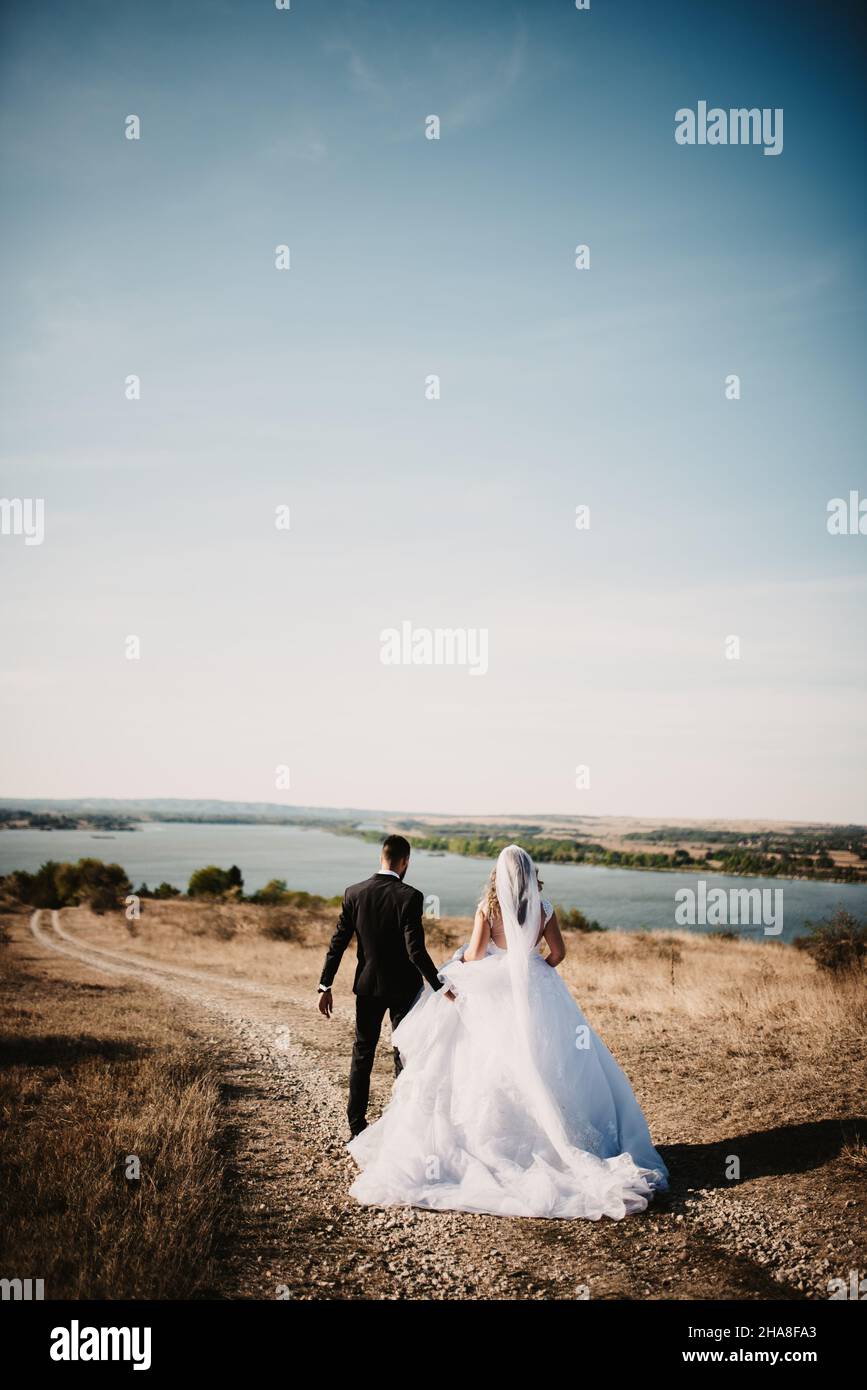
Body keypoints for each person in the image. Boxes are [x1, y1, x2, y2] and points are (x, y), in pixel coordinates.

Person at [345, 844, 669, 1220]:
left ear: (500, 874)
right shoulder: (544, 908)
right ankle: (563, 1141)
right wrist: (537, 967)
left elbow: (478, 955)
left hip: (495, 992)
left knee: (487, 1059)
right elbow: (559, 953)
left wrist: (459, 957)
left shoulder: (489, 907)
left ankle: (489, 1140)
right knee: (550, 1058)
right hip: (537, 988)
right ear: (530, 873)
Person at [317, 833, 454, 1137]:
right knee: (403, 1053)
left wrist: (325, 985)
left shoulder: (354, 893)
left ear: (381, 857)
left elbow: (337, 944)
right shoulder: (410, 896)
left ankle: (356, 1128)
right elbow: (414, 950)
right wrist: (440, 986)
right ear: (405, 862)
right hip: (404, 989)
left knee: (362, 1054)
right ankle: (401, 1126)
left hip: (367, 988)